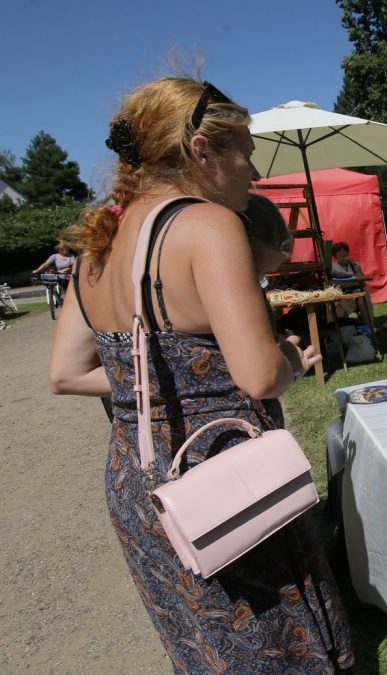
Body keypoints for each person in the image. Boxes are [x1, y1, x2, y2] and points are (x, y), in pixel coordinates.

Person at [48, 77, 354, 672]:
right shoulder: (207, 225)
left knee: (206, 641)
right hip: (218, 470)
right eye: (246, 152)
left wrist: (159, 389)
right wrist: (291, 362)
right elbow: (260, 375)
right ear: (201, 151)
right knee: (273, 635)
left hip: (139, 480)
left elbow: (65, 372)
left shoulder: (99, 243)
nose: (255, 172)